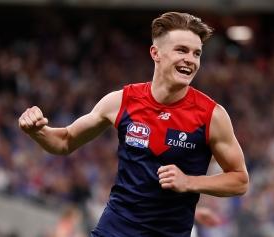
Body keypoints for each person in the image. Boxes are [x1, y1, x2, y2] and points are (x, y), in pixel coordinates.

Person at [19, 12, 249, 237]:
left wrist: (190, 182)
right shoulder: (121, 101)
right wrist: (36, 131)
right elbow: (64, 141)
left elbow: (239, 180)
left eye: (196, 53)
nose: (190, 59)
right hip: (115, 229)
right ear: (155, 53)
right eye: (181, 50)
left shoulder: (212, 115)